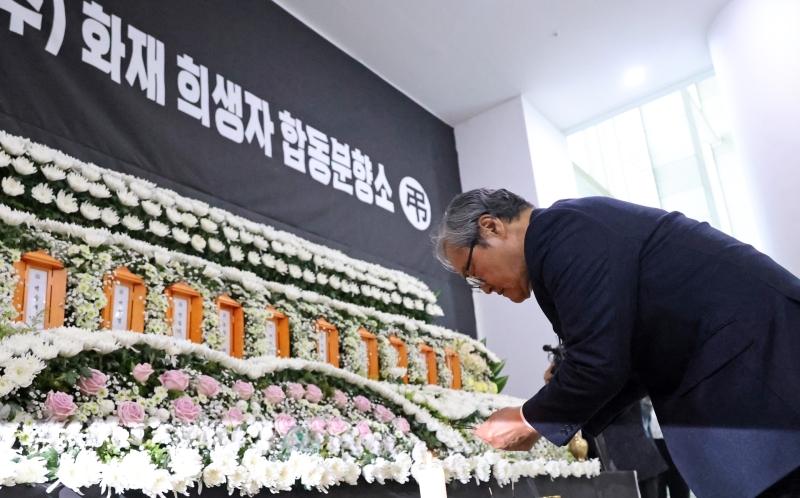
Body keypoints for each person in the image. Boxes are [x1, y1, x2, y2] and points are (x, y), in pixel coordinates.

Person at [433, 189, 800, 498]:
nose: (483, 288)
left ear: (491, 226)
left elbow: (598, 361)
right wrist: (557, 399)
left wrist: (527, 419)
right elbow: (617, 357)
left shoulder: (562, 231)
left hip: (756, 368)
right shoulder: (563, 238)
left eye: (473, 273)